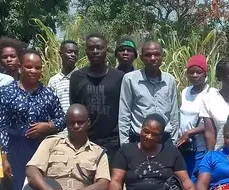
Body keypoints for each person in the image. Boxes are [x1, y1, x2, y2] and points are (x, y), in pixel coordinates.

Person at [0, 49, 66, 190]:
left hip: (41, 149)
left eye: (37, 68)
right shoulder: (7, 91)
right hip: (15, 149)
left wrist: (48, 126)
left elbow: (62, 120)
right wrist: (4, 157)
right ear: (20, 67)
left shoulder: (48, 93)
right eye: (29, 67)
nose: (33, 71)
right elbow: (0, 125)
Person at [70, 33, 125, 161]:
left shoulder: (119, 77)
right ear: (86, 51)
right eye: (91, 48)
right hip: (86, 141)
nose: (95, 51)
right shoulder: (77, 77)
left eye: (99, 48)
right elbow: (75, 108)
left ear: (106, 50)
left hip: (113, 142)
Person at [119, 40, 179, 145]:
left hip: (164, 139)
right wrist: (125, 145)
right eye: (148, 55)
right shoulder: (130, 79)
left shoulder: (170, 80)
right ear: (141, 57)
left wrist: (173, 142)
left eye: (156, 54)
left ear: (162, 56)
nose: (152, 58)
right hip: (139, 139)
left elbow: (174, 113)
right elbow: (124, 113)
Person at [177, 54, 211, 182]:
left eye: (199, 72)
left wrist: (189, 132)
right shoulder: (185, 91)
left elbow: (211, 123)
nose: (195, 75)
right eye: (191, 72)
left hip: (200, 148)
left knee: (195, 182)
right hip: (184, 146)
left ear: (205, 73)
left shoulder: (211, 93)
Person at [48, 40, 78, 120]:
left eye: (76, 53)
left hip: (78, 129)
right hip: (59, 131)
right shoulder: (53, 81)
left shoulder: (82, 78)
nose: (73, 55)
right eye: (69, 52)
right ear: (60, 53)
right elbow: (50, 107)